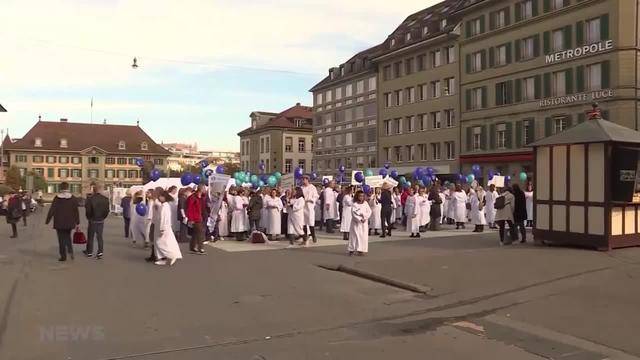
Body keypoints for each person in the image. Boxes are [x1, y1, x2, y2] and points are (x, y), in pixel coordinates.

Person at [45, 182, 80, 261]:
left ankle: (63, 256)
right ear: (68, 188)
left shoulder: (57, 198)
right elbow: (76, 211)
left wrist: (47, 220)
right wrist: (77, 222)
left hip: (59, 221)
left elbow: (52, 210)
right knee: (68, 236)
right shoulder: (73, 198)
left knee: (61, 239)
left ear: (60, 188)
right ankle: (70, 251)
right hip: (70, 221)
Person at [154, 190, 183, 266]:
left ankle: (171, 255)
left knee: (160, 243)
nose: (159, 198)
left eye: (160, 196)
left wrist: (162, 228)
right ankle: (164, 258)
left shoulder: (165, 206)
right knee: (168, 242)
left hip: (164, 227)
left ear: (164, 197)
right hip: (166, 227)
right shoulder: (164, 205)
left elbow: (164, 218)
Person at [84, 183, 110, 259]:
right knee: (100, 236)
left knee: (90, 236)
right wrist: (103, 217)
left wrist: (89, 217)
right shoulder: (105, 199)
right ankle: (100, 252)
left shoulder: (90, 199)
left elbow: (88, 210)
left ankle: (89, 252)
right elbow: (107, 210)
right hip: (101, 220)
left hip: (92, 219)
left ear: (93, 190)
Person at [348, 190, 372, 256]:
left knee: (363, 237)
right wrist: (360, 219)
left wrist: (365, 217)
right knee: (354, 236)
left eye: (362, 196)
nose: (361, 197)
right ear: (357, 196)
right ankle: (351, 249)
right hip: (356, 223)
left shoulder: (365, 203)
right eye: (360, 196)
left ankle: (361, 250)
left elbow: (369, 211)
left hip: (364, 223)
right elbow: (354, 214)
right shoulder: (355, 204)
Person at [186, 184, 207, 254]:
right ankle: (200, 248)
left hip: (200, 216)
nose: (205, 190)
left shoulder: (202, 197)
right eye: (204, 188)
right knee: (200, 232)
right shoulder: (192, 197)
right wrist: (190, 218)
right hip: (195, 217)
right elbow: (189, 208)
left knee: (195, 233)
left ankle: (192, 247)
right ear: (201, 189)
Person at [301, 175, 319, 242]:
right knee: (304, 222)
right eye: (302, 179)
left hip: (309, 206)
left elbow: (316, 196)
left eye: (304, 179)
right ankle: (305, 236)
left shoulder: (312, 187)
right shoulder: (301, 188)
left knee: (311, 221)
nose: (303, 181)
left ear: (307, 180)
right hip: (303, 206)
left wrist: (311, 199)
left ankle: (313, 235)